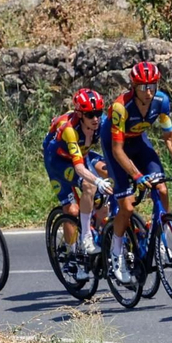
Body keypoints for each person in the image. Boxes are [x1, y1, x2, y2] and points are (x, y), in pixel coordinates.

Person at [99, 61, 172, 286]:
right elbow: (117, 150)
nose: (149, 91)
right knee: (128, 206)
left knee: (161, 188)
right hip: (117, 146)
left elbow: (169, 137)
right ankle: (116, 254)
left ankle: (159, 237)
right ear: (133, 86)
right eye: (143, 87)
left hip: (139, 142)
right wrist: (136, 176)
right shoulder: (120, 107)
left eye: (152, 85)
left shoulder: (161, 101)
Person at [43, 89, 113, 264]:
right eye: (90, 115)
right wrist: (97, 181)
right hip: (58, 161)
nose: (96, 118)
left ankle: (97, 226)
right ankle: (74, 250)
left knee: (110, 175)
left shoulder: (101, 123)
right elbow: (79, 168)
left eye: (98, 113)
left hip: (83, 154)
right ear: (80, 115)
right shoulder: (70, 130)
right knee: (75, 207)